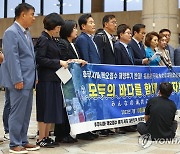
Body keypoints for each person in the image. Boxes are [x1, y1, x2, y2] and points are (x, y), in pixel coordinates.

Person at [1, 3, 40, 153]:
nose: (34, 17)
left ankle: (23, 140)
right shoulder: (11, 32)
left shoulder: (26, 32)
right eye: (32, 14)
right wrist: (17, 79)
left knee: (25, 112)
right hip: (18, 80)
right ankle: (14, 143)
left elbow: (30, 57)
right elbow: (12, 58)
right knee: (17, 112)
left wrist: (35, 76)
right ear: (23, 14)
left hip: (29, 79)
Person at [35, 13, 68, 147]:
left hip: (54, 78)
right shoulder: (43, 39)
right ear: (52, 25)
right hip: (46, 79)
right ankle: (41, 138)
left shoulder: (51, 39)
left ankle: (47, 136)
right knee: (45, 108)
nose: (59, 29)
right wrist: (58, 62)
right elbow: (40, 59)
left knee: (50, 109)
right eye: (58, 27)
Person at [54, 20, 86, 143]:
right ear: (67, 30)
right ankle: (61, 134)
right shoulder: (62, 43)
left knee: (71, 106)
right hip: (65, 79)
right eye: (74, 29)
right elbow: (63, 59)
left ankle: (66, 132)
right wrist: (77, 60)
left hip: (73, 80)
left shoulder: (73, 44)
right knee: (65, 106)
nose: (76, 31)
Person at [75, 14, 100, 140]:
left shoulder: (91, 38)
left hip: (94, 76)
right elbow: (85, 58)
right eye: (90, 22)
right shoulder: (83, 39)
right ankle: (83, 132)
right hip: (88, 76)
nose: (93, 24)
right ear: (83, 26)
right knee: (86, 104)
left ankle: (89, 129)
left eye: (93, 22)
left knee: (91, 104)